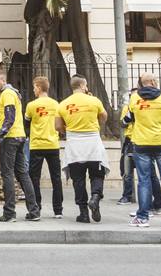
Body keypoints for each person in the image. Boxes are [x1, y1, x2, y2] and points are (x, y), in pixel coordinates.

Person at [122, 73, 161, 228]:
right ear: (153, 82)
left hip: (141, 143)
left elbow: (129, 119)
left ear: (142, 83)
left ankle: (142, 217)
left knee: (144, 181)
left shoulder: (134, 98)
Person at [0, 71, 39, 222]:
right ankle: (34, 211)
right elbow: (11, 118)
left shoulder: (7, 94)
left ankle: (9, 213)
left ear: (3, 81)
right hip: (19, 137)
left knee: (8, 174)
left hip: (10, 139)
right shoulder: (11, 93)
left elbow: (9, 117)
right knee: (22, 173)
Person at [58, 74, 108, 224]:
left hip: (74, 145)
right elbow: (104, 116)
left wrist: (70, 129)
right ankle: (95, 197)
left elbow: (58, 126)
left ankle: (83, 213)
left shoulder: (63, 104)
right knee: (97, 175)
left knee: (78, 180)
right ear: (83, 86)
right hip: (93, 142)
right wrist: (95, 123)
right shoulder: (94, 100)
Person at [25, 76, 64, 218]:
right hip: (53, 145)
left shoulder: (31, 105)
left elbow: (27, 123)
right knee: (56, 178)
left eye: (34, 87)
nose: (33, 90)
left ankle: (37, 208)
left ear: (39, 87)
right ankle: (58, 210)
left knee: (34, 178)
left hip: (36, 145)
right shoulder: (56, 104)